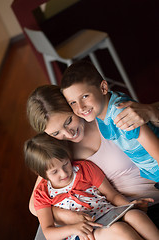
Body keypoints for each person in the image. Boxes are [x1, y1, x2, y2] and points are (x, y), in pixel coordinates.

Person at [24, 133, 159, 240]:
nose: (64, 173)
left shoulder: (84, 169)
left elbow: (112, 195)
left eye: (65, 164)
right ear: (41, 173)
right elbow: (48, 232)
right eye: (54, 172)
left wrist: (129, 205)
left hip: (108, 214)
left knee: (136, 216)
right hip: (83, 232)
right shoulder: (42, 193)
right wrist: (74, 228)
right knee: (120, 230)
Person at [61, 60, 159, 185]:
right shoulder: (101, 112)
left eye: (85, 96)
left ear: (103, 88)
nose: (80, 107)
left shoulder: (121, 114)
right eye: (73, 102)